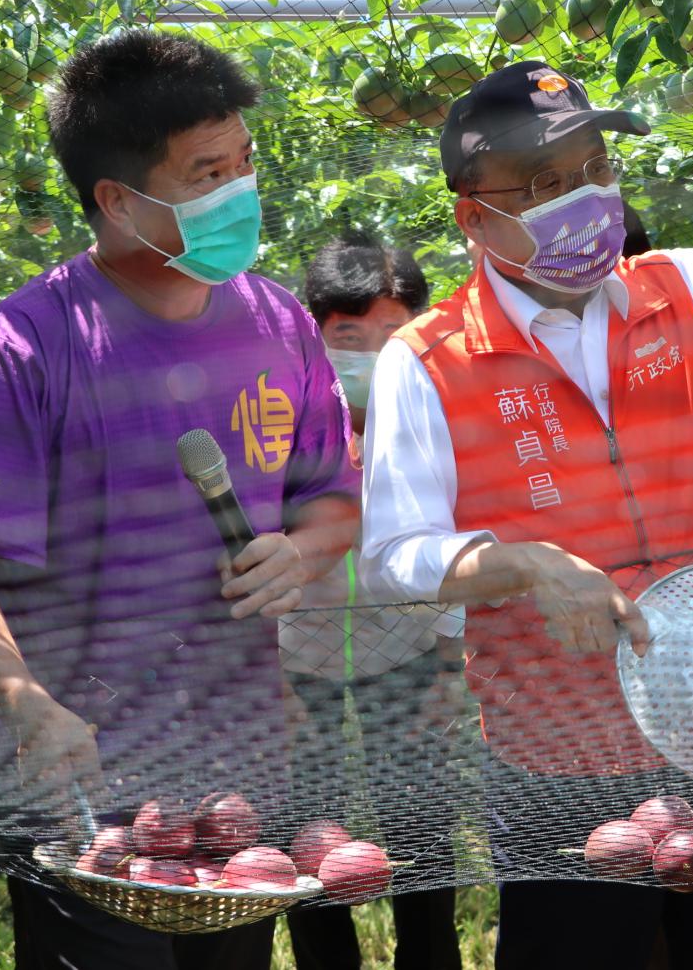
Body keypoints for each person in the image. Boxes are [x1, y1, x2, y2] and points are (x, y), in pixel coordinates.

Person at [358, 11, 693, 969]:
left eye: (595, 170)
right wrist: (516, 563)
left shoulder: (682, 292)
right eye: (543, 184)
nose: (582, 196)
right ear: (473, 215)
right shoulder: (429, 359)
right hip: (553, 762)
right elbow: (394, 554)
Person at [0, 30, 360, 970]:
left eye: (245, 163)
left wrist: (302, 552)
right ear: (117, 199)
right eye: (206, 173)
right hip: (87, 784)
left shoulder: (280, 325)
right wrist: (23, 701)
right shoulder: (23, 348)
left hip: (240, 778)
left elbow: (332, 502)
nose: (241, 191)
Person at [283, 232, 466, 970]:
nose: (371, 350)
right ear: (313, 328)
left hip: (410, 654)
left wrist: (454, 666)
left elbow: (465, 529)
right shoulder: (279, 415)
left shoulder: (439, 409)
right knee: (312, 852)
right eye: (347, 334)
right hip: (300, 663)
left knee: (423, 843)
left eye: (393, 332)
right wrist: (265, 673)